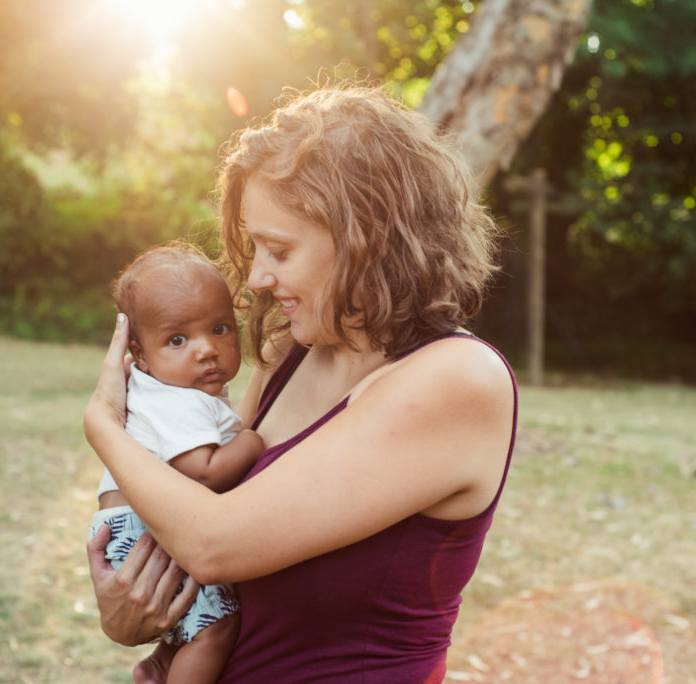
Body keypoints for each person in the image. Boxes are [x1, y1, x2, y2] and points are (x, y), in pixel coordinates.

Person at [84, 85, 518, 683]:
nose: (259, 277)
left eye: (279, 250)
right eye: (255, 247)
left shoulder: (457, 380)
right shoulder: (294, 350)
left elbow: (213, 544)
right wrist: (136, 613)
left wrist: (104, 426)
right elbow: (201, 538)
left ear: (367, 237)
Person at [89, 240, 264, 683]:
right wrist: (253, 441)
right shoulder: (180, 402)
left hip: (136, 519)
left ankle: (165, 661)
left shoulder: (166, 389)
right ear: (140, 356)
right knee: (216, 629)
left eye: (221, 328)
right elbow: (201, 472)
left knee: (194, 618)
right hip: (141, 526)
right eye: (178, 339)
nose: (206, 349)